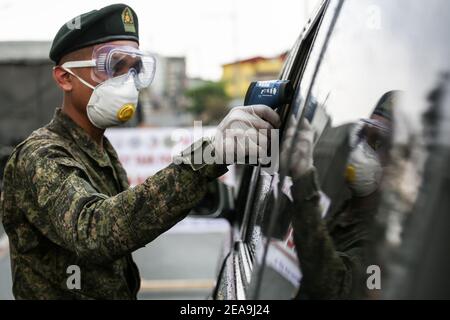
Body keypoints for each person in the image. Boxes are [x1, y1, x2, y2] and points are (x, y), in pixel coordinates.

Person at [0, 4, 280, 299]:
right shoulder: (40, 154)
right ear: (64, 77)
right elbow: (95, 231)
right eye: (112, 66)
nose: (127, 81)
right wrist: (207, 156)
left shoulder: (99, 150)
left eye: (134, 69)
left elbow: (129, 218)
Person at [284, 91, 399, 299]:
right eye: (362, 136)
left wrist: (303, 177)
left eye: (378, 143)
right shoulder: (345, 206)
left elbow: (335, 286)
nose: (361, 151)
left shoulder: (389, 240)